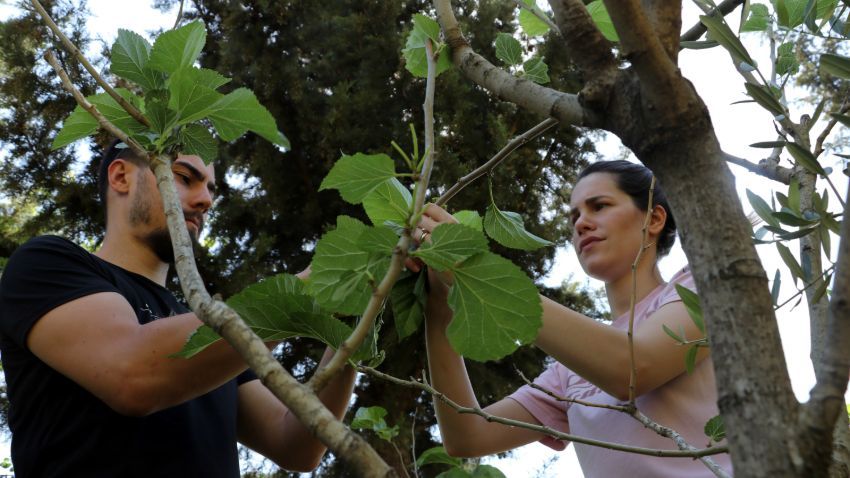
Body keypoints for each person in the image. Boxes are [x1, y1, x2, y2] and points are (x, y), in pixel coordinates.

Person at [0, 141, 355, 477]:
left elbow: (297, 444)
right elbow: (133, 373)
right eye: (185, 178)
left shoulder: (207, 331)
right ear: (121, 177)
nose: (206, 201)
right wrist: (310, 288)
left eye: (212, 189)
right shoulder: (49, 264)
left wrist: (355, 308)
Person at [415, 160, 733, 477]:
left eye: (599, 206)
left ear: (653, 218)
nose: (581, 223)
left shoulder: (700, 287)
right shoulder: (568, 375)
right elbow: (467, 435)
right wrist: (439, 304)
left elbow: (633, 366)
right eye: (575, 215)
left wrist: (478, 272)